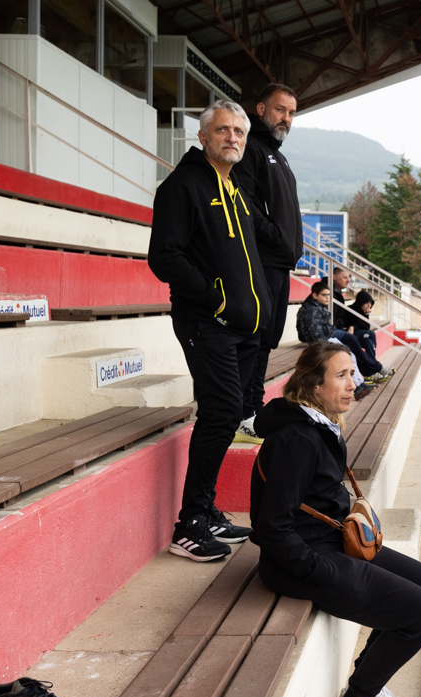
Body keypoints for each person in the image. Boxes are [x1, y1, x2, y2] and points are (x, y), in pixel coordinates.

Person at [250, 342, 421, 697]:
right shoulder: (295, 440)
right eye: (341, 376)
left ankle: (368, 683)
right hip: (302, 559)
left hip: (330, 541)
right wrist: (317, 569)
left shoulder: (317, 423)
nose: (353, 384)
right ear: (312, 385)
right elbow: (271, 527)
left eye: (352, 374)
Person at [148, 99, 272, 562]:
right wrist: (216, 298)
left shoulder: (234, 185)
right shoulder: (182, 187)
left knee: (228, 413)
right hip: (208, 321)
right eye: (223, 130)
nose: (233, 138)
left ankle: (207, 509)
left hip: (244, 326)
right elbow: (164, 258)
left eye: (239, 132)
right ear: (203, 136)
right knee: (220, 414)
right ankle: (189, 524)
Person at [233, 83, 304, 441]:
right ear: (260, 109)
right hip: (262, 261)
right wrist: (275, 235)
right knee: (257, 337)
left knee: (269, 339)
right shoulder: (253, 149)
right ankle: (245, 412)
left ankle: (252, 409)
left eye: (291, 113)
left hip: (280, 263)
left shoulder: (277, 153)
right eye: (280, 110)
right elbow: (243, 204)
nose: (286, 119)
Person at [297, 281, 391, 394]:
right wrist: (326, 347)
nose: (327, 298)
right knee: (349, 355)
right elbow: (316, 334)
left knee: (352, 353)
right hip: (325, 341)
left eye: (329, 295)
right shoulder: (312, 310)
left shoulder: (317, 307)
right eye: (324, 295)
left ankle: (360, 385)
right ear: (315, 295)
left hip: (329, 337)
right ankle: (360, 386)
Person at [349, 289, 378, 362]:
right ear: (361, 302)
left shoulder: (363, 312)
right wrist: (353, 326)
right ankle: (374, 362)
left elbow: (366, 327)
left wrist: (365, 315)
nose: (369, 305)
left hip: (360, 334)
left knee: (368, 342)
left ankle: (372, 362)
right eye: (367, 303)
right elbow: (350, 323)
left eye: (370, 303)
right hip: (351, 334)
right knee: (371, 334)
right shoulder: (351, 309)